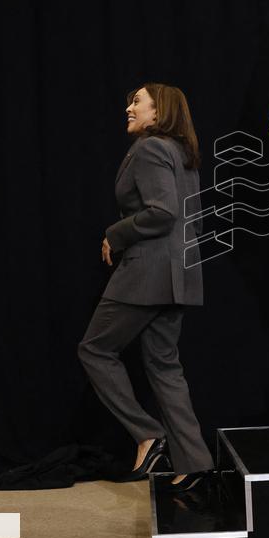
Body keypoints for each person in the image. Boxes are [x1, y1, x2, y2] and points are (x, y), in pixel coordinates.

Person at [77, 83, 214, 493]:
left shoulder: (151, 149)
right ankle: (195, 463)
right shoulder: (183, 155)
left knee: (95, 350)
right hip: (179, 276)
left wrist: (114, 234)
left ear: (160, 111)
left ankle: (148, 435)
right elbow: (193, 221)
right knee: (165, 367)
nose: (128, 107)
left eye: (137, 101)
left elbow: (163, 213)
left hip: (147, 274)